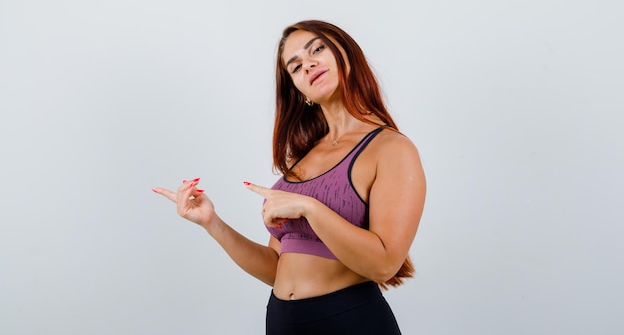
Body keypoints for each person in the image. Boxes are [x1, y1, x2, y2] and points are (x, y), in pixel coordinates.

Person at [153, 20, 426, 334]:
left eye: (317, 50)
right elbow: (276, 265)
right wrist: (212, 223)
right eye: (295, 67)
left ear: (346, 55)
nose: (307, 65)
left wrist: (310, 208)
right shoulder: (302, 158)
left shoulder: (391, 149)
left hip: (349, 320)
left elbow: (384, 264)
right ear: (299, 89)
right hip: (283, 321)